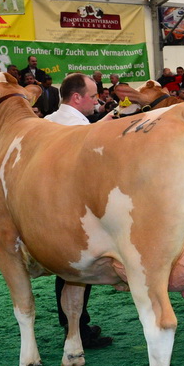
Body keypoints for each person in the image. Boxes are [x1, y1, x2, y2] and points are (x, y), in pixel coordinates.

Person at [46, 73, 113, 349]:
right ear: (77, 97)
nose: (97, 102)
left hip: (47, 207)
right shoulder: (79, 127)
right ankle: (77, 330)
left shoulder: (48, 121)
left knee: (66, 271)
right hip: (72, 209)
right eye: (93, 96)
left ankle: (76, 325)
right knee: (77, 271)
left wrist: (102, 124)